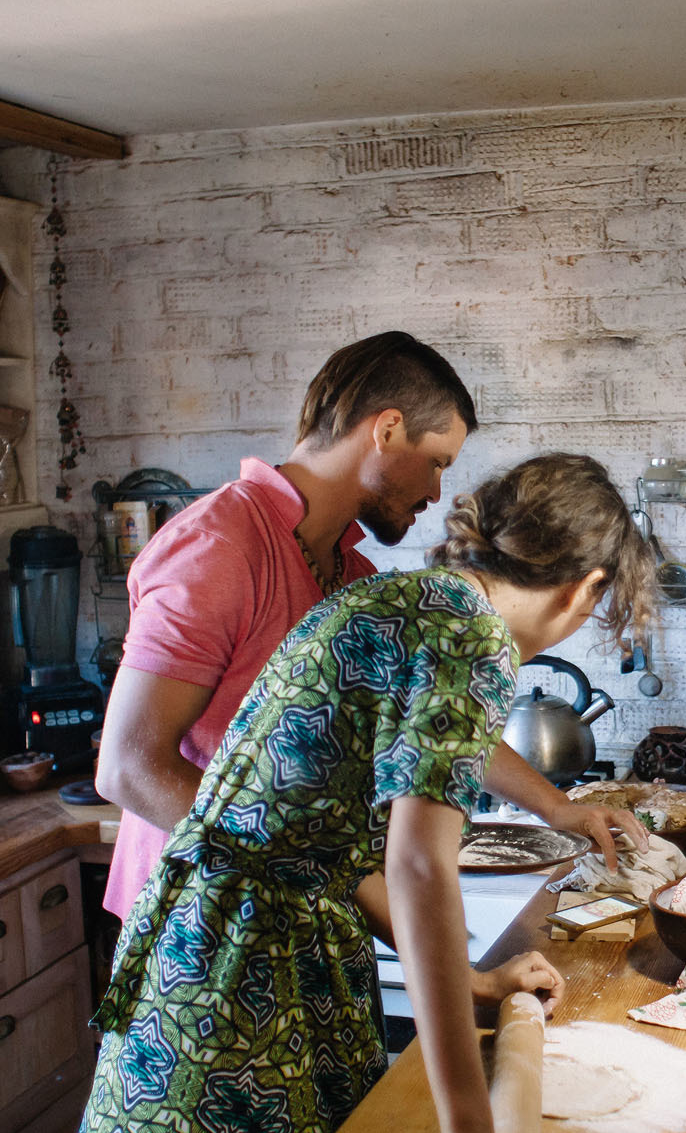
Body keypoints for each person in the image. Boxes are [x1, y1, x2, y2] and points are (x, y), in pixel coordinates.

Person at [50, 453, 658, 1133]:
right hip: (245, 994)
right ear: (584, 589)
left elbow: (330, 842)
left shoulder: (402, 599)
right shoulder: (472, 637)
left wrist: (477, 980)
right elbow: (416, 863)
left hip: (202, 960)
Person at [97, 332, 644, 924]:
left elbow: (438, 728)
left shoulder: (351, 570)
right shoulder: (217, 547)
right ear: (386, 431)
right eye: (436, 462)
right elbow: (130, 768)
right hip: (201, 921)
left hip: (307, 915)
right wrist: (309, 874)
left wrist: (556, 807)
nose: (437, 494)